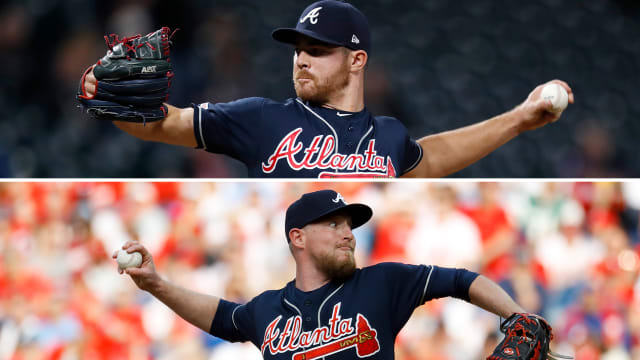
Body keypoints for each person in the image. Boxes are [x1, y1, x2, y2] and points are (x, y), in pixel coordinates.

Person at [81, 0, 574, 178]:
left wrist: (520, 118)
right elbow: (166, 124)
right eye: (298, 48)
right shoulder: (260, 119)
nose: (301, 58)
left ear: (357, 60)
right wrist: (113, 98)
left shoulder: (389, 137)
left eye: (318, 50)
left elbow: (433, 158)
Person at [114, 189, 544, 359]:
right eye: (334, 224)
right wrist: (155, 284)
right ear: (298, 238)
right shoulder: (268, 309)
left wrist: (514, 314)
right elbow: (222, 317)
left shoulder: (383, 282)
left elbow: (462, 280)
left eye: (350, 226)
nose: (348, 234)